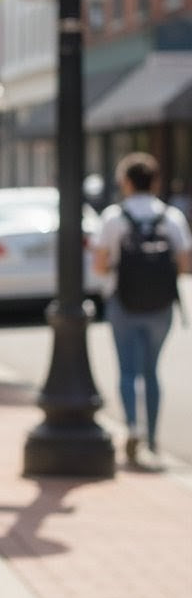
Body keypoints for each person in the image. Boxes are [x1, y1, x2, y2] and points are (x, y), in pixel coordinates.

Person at [93, 152, 192, 466]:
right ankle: (152, 438)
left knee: (127, 370)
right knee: (151, 371)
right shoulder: (171, 217)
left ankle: (132, 426)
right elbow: (185, 264)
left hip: (122, 302)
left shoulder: (113, 217)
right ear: (155, 181)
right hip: (160, 305)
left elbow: (99, 264)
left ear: (126, 182)